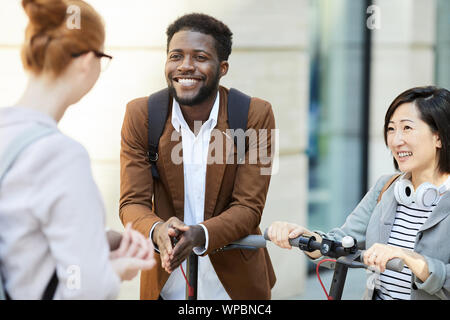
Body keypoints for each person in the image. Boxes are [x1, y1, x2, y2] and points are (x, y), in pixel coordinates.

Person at [0, 0, 155, 300]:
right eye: (103, 57)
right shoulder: (61, 157)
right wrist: (117, 270)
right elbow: (85, 290)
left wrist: (93, 247)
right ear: (87, 60)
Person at [119, 13, 276, 300]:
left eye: (200, 57)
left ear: (222, 67)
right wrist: (157, 230)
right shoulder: (141, 115)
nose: (186, 66)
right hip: (166, 284)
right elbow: (132, 202)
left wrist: (199, 234)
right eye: (176, 56)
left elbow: (249, 207)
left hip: (234, 287)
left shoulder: (256, 115)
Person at [268, 86, 450, 300]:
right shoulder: (387, 188)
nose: (395, 140)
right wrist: (303, 236)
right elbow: (341, 243)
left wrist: (412, 260)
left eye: (407, 128)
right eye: (391, 129)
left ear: (438, 137)